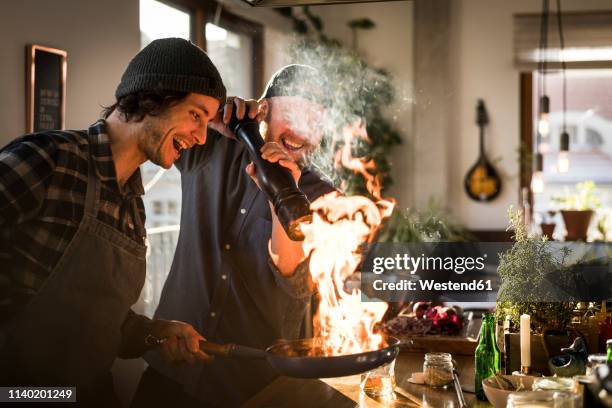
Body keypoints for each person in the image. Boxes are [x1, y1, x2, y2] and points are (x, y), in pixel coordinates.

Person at [0, 38, 230, 407]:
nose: (202, 137)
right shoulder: (48, 159)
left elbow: (101, 324)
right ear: (154, 97)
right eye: (196, 115)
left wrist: (156, 333)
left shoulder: (134, 207)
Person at [132, 64, 335, 407]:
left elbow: (296, 283)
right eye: (294, 116)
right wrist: (209, 116)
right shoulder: (209, 147)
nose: (303, 133)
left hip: (250, 386)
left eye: (315, 122)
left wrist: (280, 195)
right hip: (172, 363)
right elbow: (151, 110)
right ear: (263, 110)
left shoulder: (324, 195)